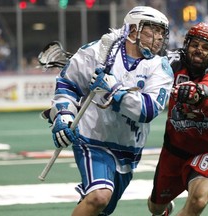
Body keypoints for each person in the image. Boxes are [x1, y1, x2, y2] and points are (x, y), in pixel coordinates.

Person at [42, 6, 173, 216]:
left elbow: (147, 110)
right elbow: (68, 85)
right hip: (92, 138)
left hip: (129, 148)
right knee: (99, 196)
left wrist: (114, 90)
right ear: (133, 29)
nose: (159, 38)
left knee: (101, 207)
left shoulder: (160, 67)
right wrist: (64, 116)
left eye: (161, 32)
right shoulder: (96, 52)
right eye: (153, 30)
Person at [148, 22, 208, 216]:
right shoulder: (170, 61)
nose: (199, 50)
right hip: (174, 150)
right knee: (155, 207)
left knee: (198, 199)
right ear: (186, 44)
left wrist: (198, 93)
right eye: (195, 45)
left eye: (206, 47)